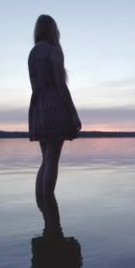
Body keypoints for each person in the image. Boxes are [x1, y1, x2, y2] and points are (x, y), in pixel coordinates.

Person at [28, 14, 81, 200]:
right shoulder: (53, 50)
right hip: (54, 108)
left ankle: (43, 208)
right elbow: (60, 84)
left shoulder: (33, 53)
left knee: (45, 160)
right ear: (53, 30)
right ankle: (49, 208)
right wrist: (73, 113)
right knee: (52, 160)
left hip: (38, 108)